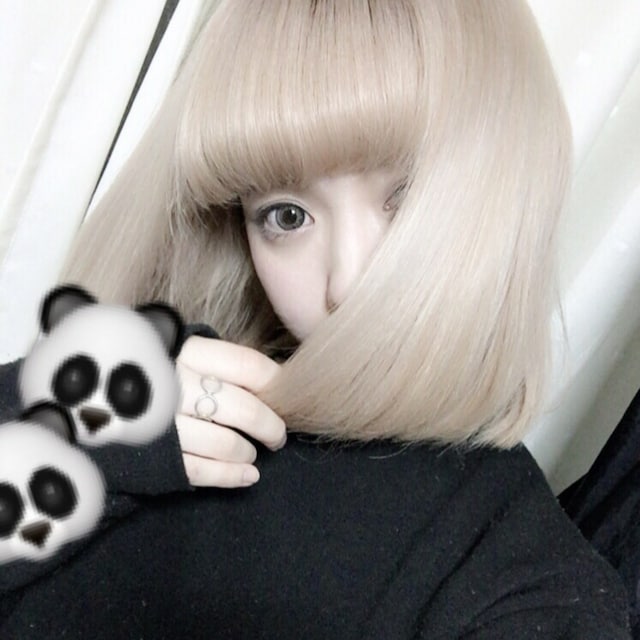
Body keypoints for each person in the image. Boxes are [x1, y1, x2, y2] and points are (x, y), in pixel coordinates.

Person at [0, 0, 631, 637]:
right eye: (287, 216)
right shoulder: (148, 399)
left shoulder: (524, 586)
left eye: (405, 195)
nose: (348, 281)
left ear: (508, 187)